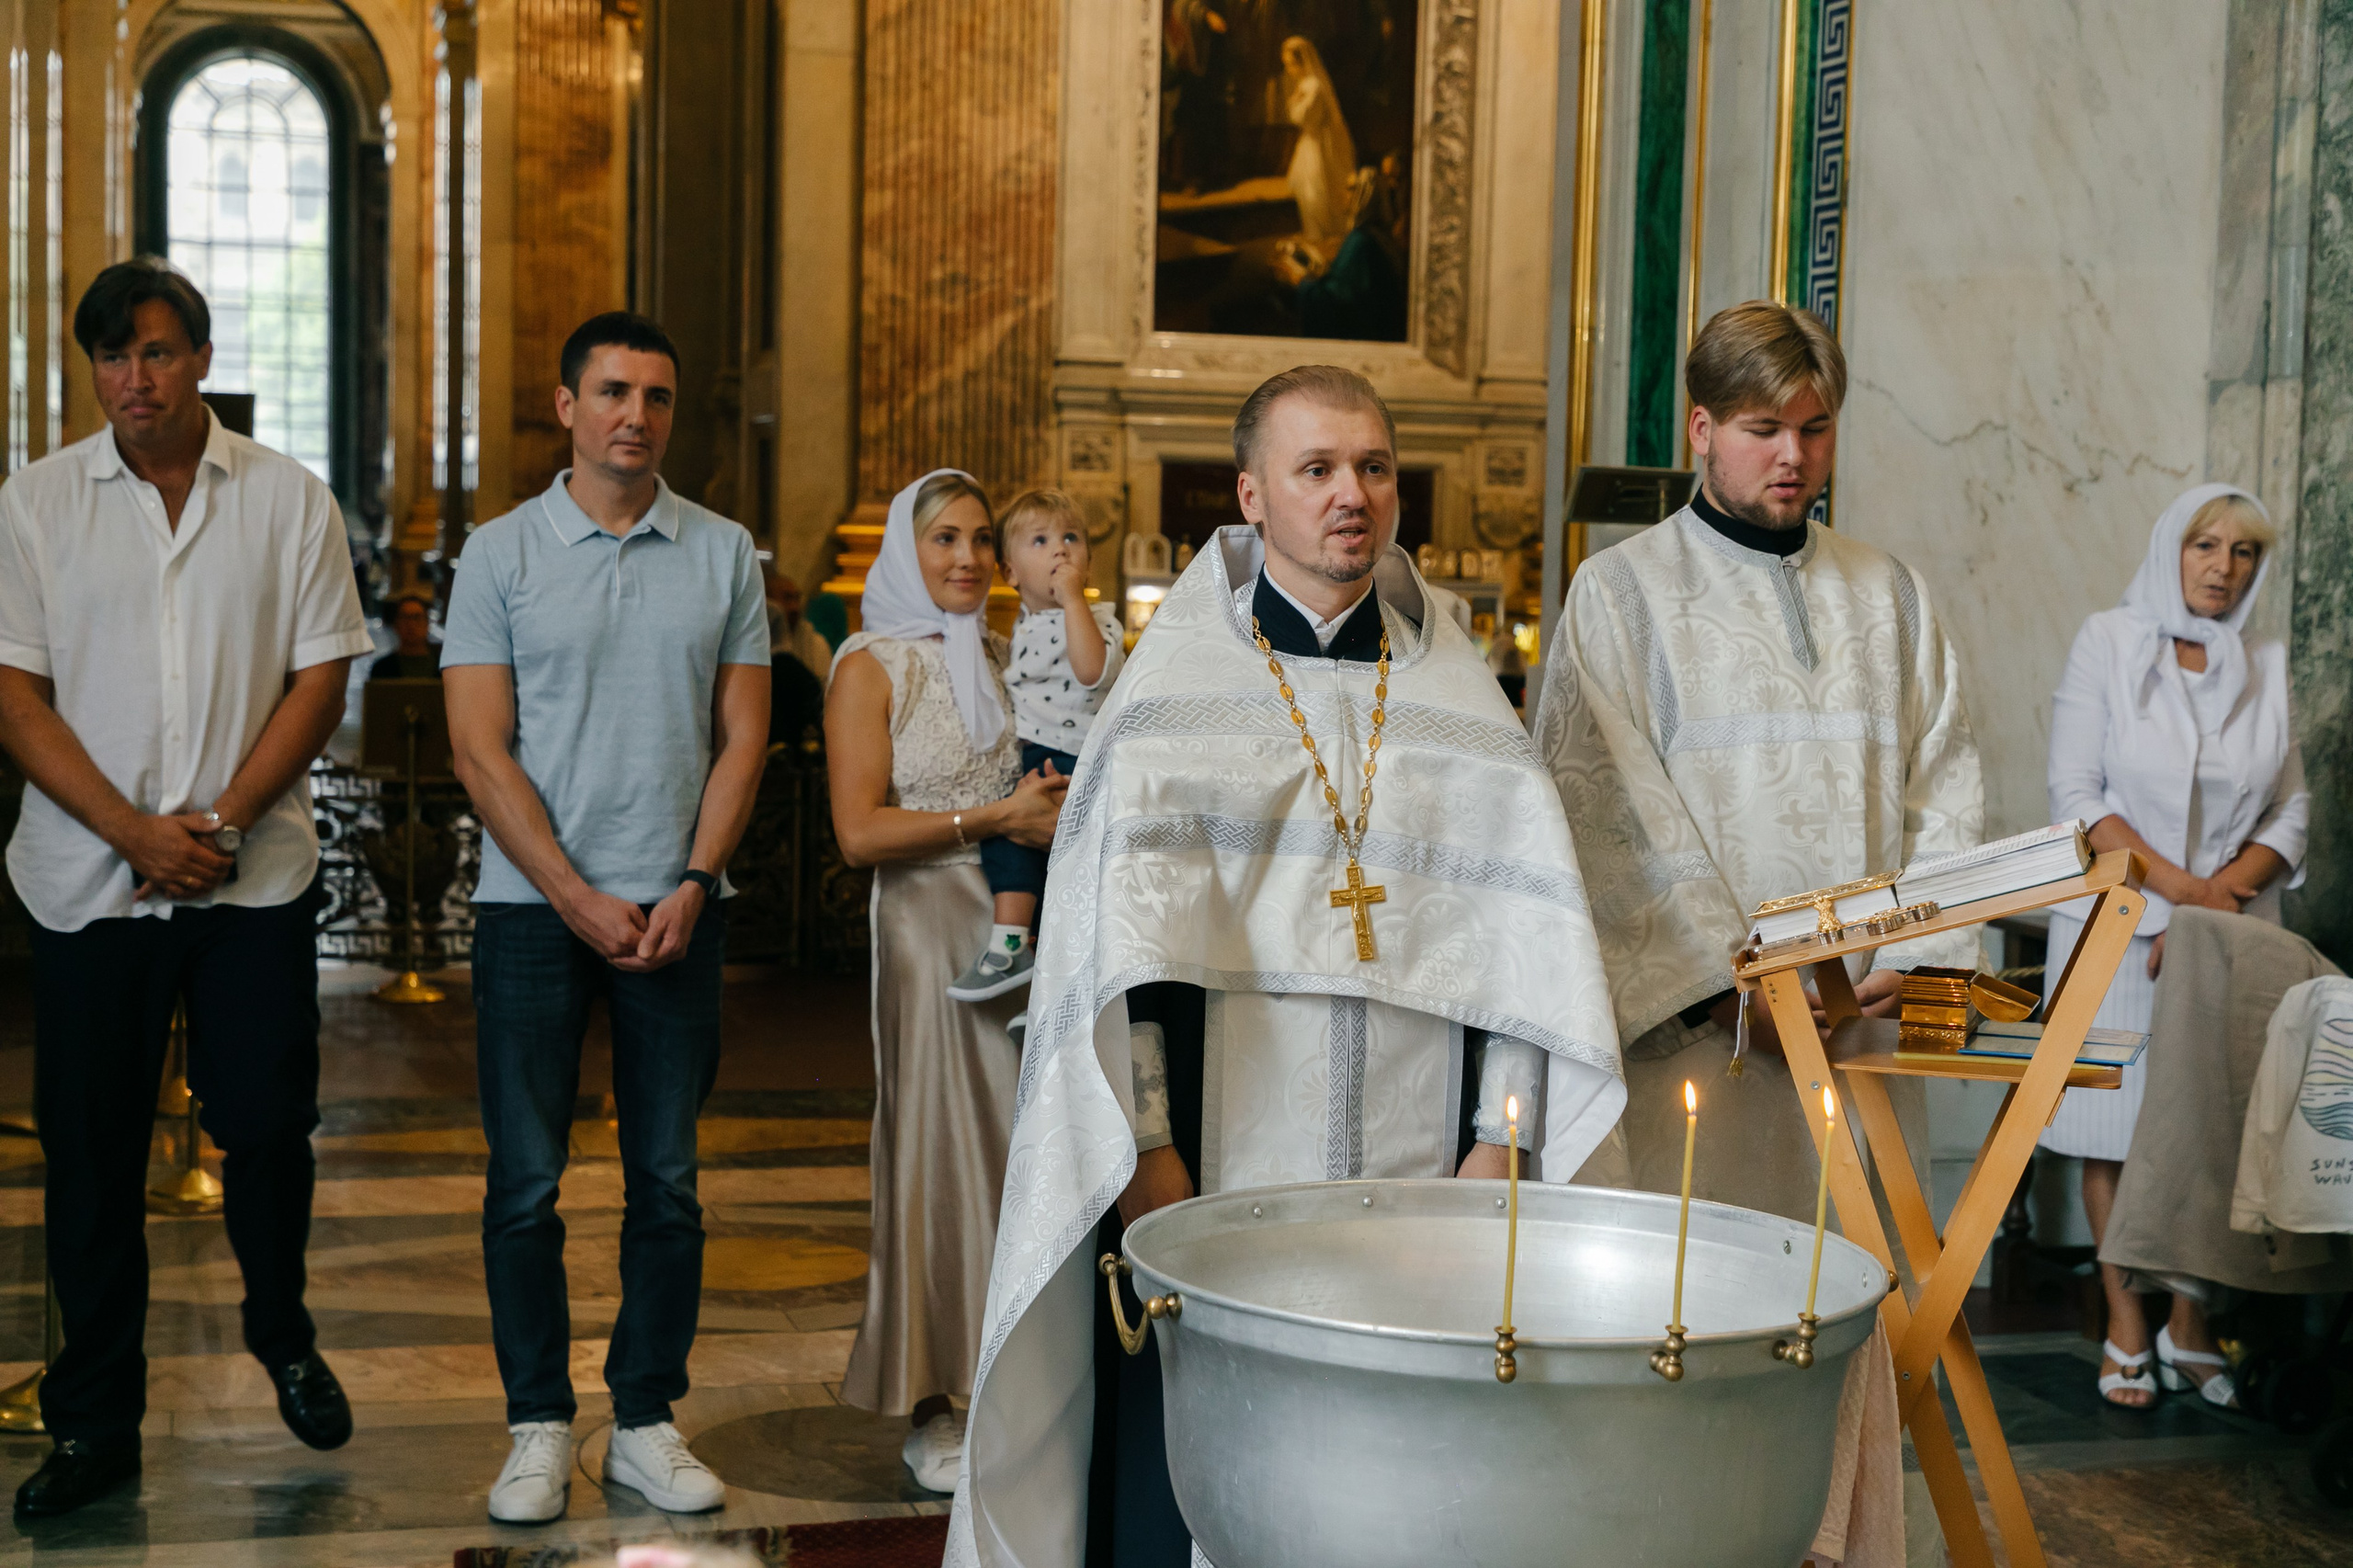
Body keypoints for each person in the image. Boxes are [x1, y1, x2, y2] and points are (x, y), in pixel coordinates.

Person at [948, 367, 1626, 1568]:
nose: (1351, 495)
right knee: (1202, 1474)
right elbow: (1121, 961)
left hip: (1425, 1176)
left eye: (1373, 468)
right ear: (1253, 496)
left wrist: (1499, 1136)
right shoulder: (1166, 701)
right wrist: (1143, 1149)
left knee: (1409, 1476)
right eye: (1317, 470)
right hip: (1213, 1159)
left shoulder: (1464, 702)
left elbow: (1523, 948)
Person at [0, 258, 373, 1515]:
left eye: (155, 353)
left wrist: (214, 821)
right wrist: (131, 831)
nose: (132, 380)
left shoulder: (286, 500)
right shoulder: (39, 502)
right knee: (93, 1159)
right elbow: (14, 694)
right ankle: (96, 1422)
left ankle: (281, 1329)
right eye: (110, 358)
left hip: (248, 877)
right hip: (88, 886)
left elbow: (320, 677)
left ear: (200, 358)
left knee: (267, 1122)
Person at [1535, 300, 1984, 1227]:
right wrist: (1736, 993)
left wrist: (1915, 962)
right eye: (1763, 429)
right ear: (1702, 428)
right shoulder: (1620, 592)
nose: (1794, 456)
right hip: (1706, 1040)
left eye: (1816, 429)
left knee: (1860, 1282)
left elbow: (1944, 789)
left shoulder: (1890, 593)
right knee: (1695, 1301)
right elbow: (1608, 817)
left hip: (1862, 1020)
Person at [442, 312, 771, 1523]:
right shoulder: (500, 553)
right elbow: (479, 752)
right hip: (535, 913)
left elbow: (745, 736)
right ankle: (537, 1420)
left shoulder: (725, 550)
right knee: (525, 1182)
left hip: (678, 910)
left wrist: (693, 879)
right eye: (614, 390)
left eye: (658, 395)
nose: (637, 414)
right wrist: (575, 895)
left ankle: (642, 1417)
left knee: (669, 1182)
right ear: (568, 405)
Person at [826, 470, 1068, 1492]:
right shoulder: (870, 665)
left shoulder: (1019, 659)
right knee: (940, 1146)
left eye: (978, 538)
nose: (966, 558)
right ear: (904, 551)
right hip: (927, 922)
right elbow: (856, 832)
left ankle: (1024, 1379)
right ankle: (935, 1397)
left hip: (1026, 924)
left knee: (1025, 1148)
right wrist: (992, 822)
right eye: (942, 539)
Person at [2040, 483, 2305, 1410]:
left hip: (2231, 933)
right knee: (2110, 1134)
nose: (2222, 568)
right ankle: (2123, 1323)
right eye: (2205, 545)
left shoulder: (2265, 658)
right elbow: (2077, 793)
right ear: (2170, 548)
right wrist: (2182, 898)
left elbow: (2291, 806)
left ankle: (2190, 1325)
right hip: (2118, 928)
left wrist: (2220, 901)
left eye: (2241, 552)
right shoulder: (2107, 640)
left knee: (2212, 1131)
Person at [947, 488, 1124, 1003]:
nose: (1060, 551)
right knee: (1011, 844)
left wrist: (1074, 601)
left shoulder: (1098, 621)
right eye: (1041, 540)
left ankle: (1037, 969)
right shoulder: (1020, 625)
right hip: (1038, 754)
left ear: (1088, 562)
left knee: (1056, 859)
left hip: (1077, 757)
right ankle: (1018, 956)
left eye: (1072, 539)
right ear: (1010, 573)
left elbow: (1091, 672)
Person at [1280, 36, 1356, 243]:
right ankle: (1314, 233)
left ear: (1304, 62)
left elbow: (1301, 117)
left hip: (1317, 144)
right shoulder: (1305, 83)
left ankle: (1320, 234)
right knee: (1307, 191)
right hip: (1309, 142)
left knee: (1315, 190)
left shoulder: (1313, 86)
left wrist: (1295, 102)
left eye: (1293, 65)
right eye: (1287, 65)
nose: (1290, 70)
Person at [369, 591, 441, 680]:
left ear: (427, 623)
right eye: (405, 618)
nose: (411, 624)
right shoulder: (381, 669)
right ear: (396, 624)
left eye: (417, 618)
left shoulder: (442, 668)